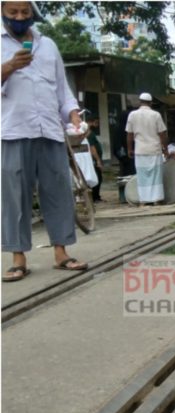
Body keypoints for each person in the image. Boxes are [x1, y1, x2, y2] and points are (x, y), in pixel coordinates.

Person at [1, 0, 90, 280]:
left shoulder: (47, 45)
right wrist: (9, 67)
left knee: (58, 191)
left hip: (50, 130)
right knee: (16, 195)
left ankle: (61, 253)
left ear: (33, 13)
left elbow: (62, 90)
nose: (19, 17)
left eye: (24, 12)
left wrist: (74, 115)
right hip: (13, 129)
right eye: (12, 12)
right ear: (2, 12)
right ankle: (18, 259)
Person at [126, 92, 167, 206]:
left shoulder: (132, 115)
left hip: (140, 150)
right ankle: (156, 199)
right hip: (154, 149)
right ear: (151, 103)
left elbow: (129, 134)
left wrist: (130, 149)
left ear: (140, 101)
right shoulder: (156, 115)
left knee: (142, 176)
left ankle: (143, 200)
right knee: (156, 175)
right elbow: (162, 133)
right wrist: (165, 148)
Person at [86, 117, 104, 202]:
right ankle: (95, 197)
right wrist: (98, 160)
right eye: (96, 123)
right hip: (93, 160)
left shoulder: (91, 133)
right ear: (90, 122)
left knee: (98, 177)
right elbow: (92, 148)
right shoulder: (89, 134)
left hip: (94, 159)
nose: (97, 125)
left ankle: (96, 196)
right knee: (97, 178)